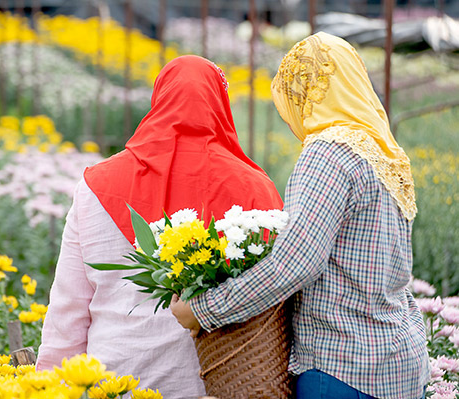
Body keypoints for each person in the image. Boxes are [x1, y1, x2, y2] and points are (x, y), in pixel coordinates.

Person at [171, 32, 431, 399]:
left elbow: (294, 264)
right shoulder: (386, 155)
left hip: (344, 369)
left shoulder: (328, 153)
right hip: (400, 364)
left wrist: (204, 310)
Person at [36, 55, 283, 398]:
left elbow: (69, 304)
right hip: (210, 381)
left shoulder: (96, 186)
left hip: (112, 378)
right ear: (219, 105)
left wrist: (50, 384)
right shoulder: (253, 187)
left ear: (158, 99)